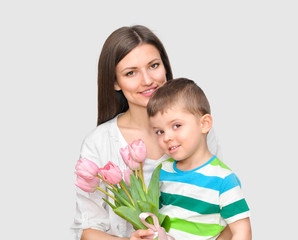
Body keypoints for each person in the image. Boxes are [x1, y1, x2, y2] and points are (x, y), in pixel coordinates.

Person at [71, 25, 226, 240]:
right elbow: (88, 230)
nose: (147, 80)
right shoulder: (99, 142)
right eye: (131, 73)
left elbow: (221, 210)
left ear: (165, 67)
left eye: (154, 65)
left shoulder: (193, 127)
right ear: (115, 82)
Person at [146, 78, 252, 240]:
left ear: (204, 124)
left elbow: (242, 231)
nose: (167, 137)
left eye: (176, 126)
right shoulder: (163, 171)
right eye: (159, 131)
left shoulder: (223, 179)